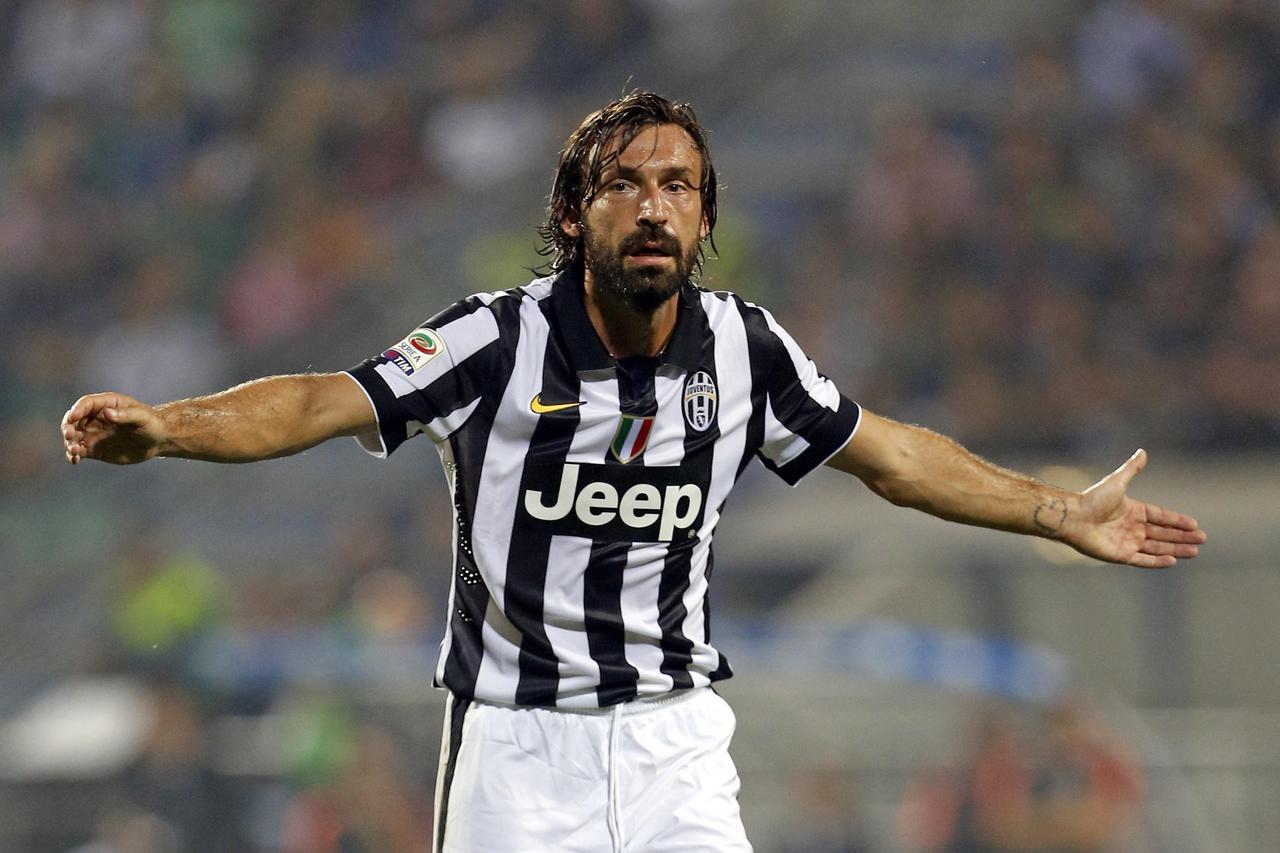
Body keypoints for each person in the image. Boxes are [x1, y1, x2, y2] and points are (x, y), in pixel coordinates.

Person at [62, 91, 1205, 852]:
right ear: (573, 213)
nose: (652, 206)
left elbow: (893, 457)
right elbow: (322, 400)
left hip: (675, 742)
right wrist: (167, 425)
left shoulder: (745, 350)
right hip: (517, 749)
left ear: (704, 219)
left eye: (677, 186)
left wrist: (1058, 511)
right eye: (623, 184)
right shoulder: (496, 339)